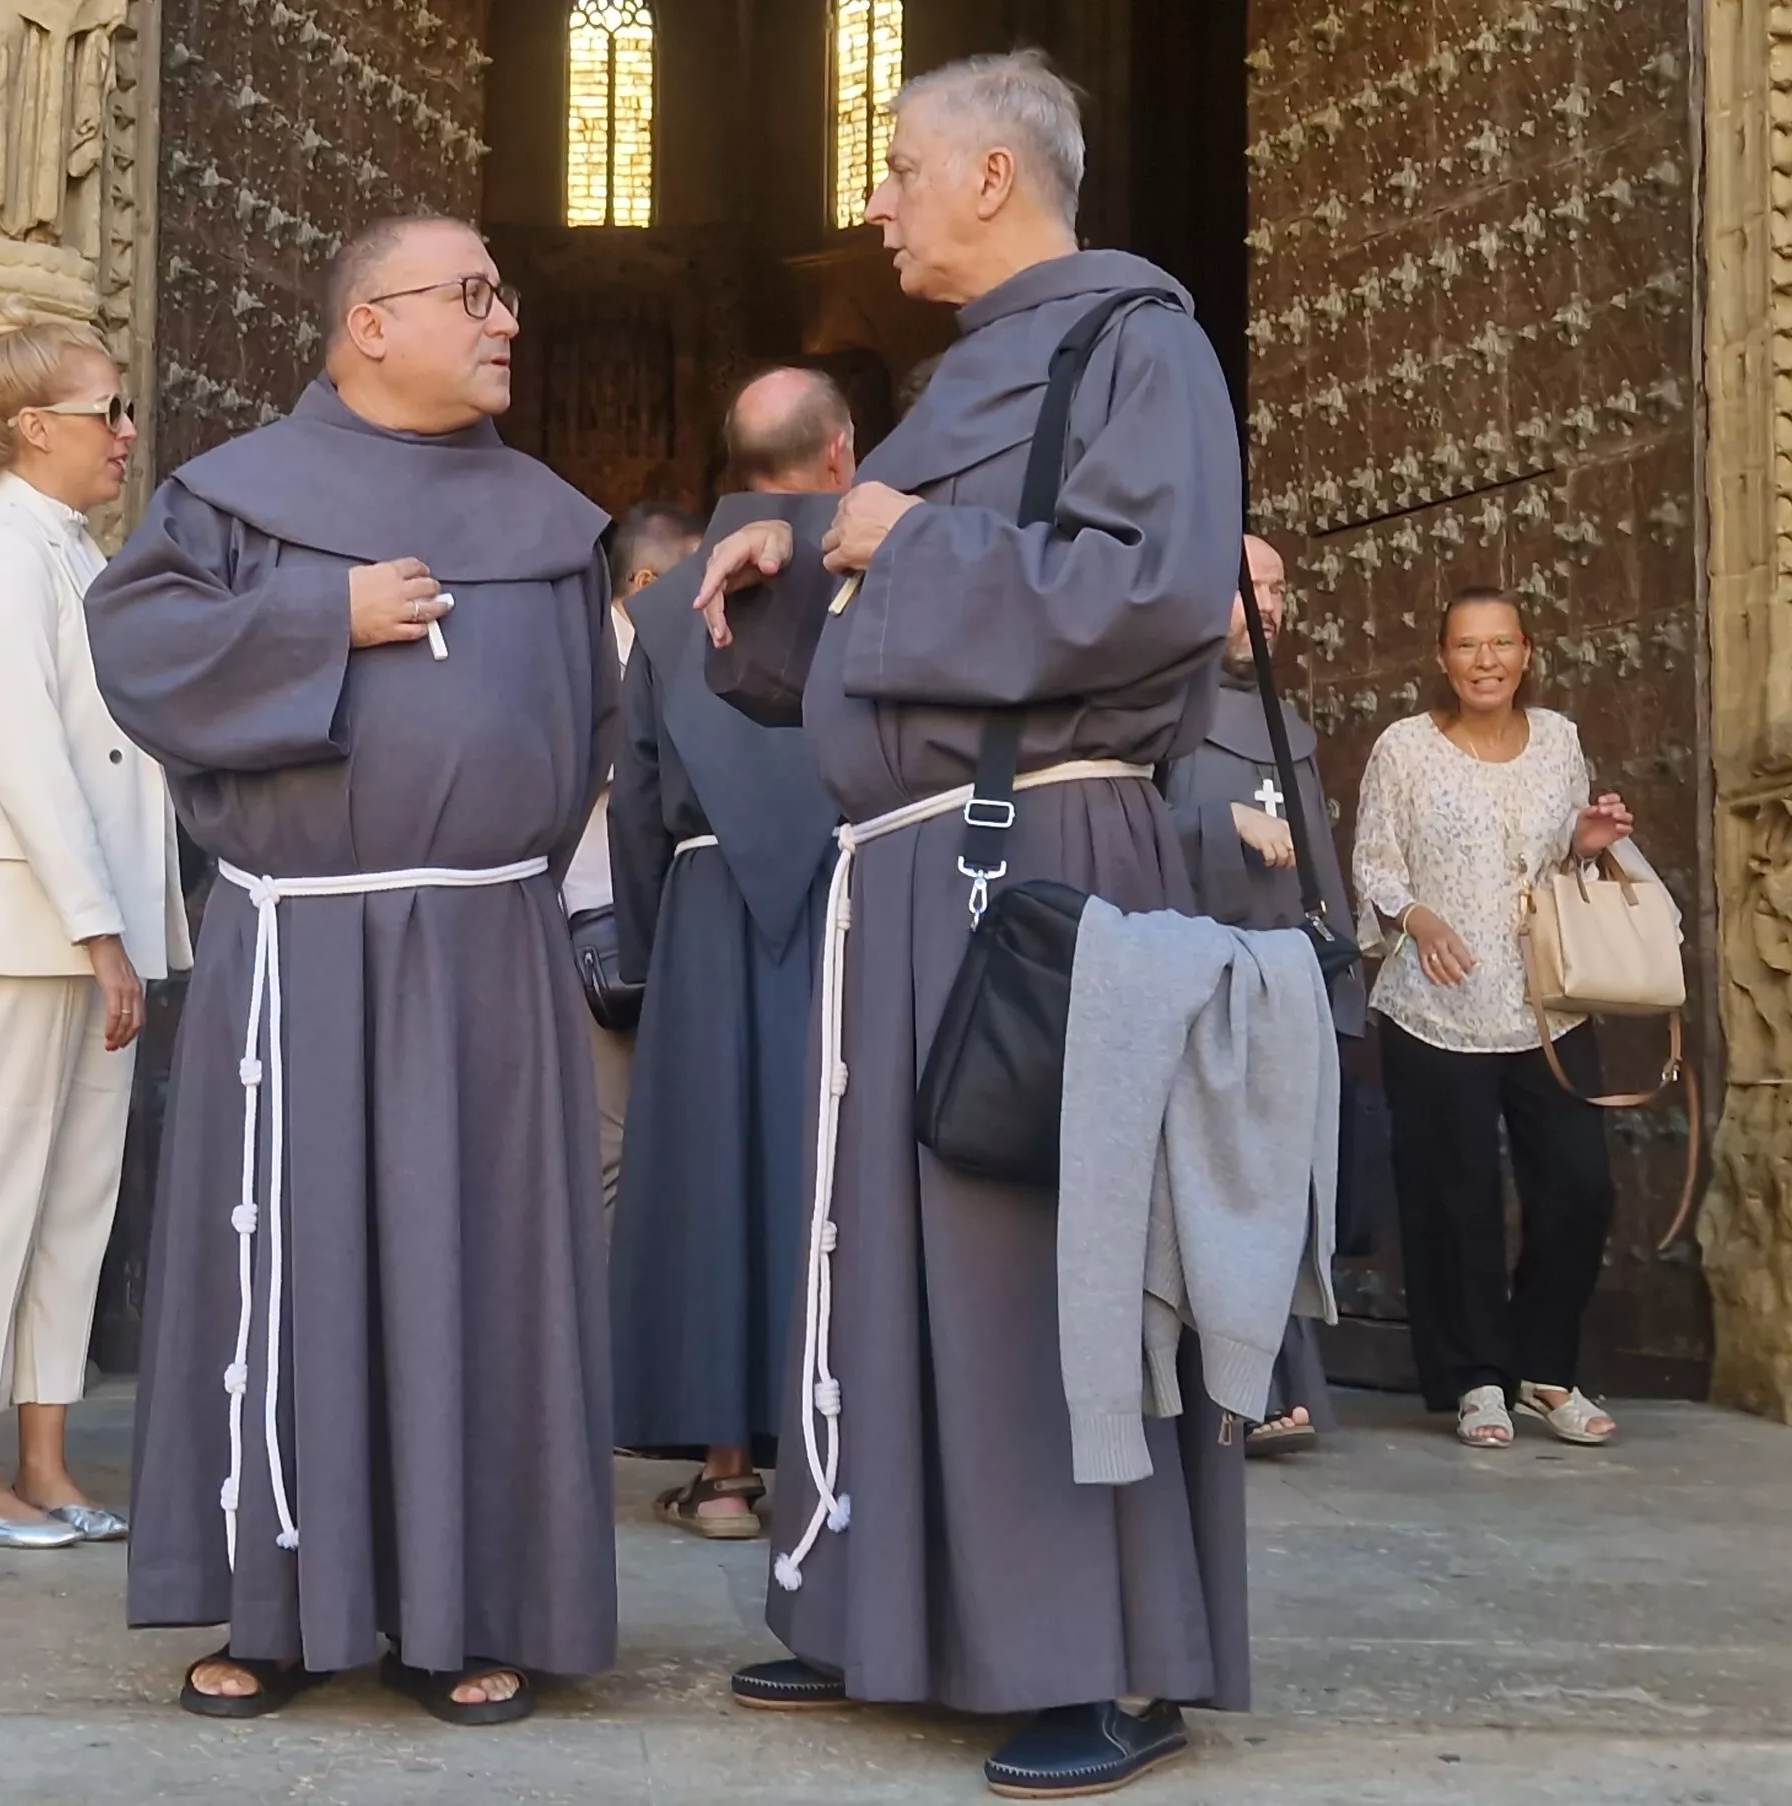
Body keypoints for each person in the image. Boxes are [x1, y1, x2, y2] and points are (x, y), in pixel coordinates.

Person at [691, 52, 1246, 1799]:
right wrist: (793, 570)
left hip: (1036, 860)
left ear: (993, 179)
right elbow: (910, 580)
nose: (876, 201)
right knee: (902, 1263)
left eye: (900, 168)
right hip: (915, 873)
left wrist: (893, 547)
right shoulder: (957, 383)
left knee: (1047, 1267)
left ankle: (1105, 1657)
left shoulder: (1133, 341)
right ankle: (893, 1616)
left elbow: (1149, 593)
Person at [85, 215, 618, 1726]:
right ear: (368, 324)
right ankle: (279, 1603)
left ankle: (468, 1605)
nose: (503, 318)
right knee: (289, 1262)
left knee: (484, 1268)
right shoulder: (235, 496)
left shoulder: (548, 521)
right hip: (298, 943)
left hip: (485, 944)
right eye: (470, 295)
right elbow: (139, 657)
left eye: (501, 293)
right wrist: (322, 614)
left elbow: (584, 733)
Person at [0, 322, 189, 1550]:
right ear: (32, 427)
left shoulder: (68, 550)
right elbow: (28, 763)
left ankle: (46, 1456)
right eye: (107, 411)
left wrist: (128, 925)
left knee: (76, 1198)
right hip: (24, 928)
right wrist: (99, 934)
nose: (126, 434)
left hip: (89, 926)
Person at [609, 369, 853, 1539]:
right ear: (840, 457)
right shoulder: (880, 572)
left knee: (716, 1177)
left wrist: (656, 961)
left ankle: (721, 1476)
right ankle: (843, 1454)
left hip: (707, 905)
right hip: (863, 897)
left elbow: (637, 806)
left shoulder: (662, 611)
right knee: (840, 1172)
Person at [1350, 585, 1634, 1452]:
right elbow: (1372, 861)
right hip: (1435, 1007)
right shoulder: (1403, 749)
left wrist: (1586, 844)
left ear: (1526, 651)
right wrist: (1415, 917)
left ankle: (1546, 1370)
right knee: (1455, 1198)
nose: (1486, 661)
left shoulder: (1560, 743)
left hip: (1546, 1004)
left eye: (1501, 643)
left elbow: (1558, 865)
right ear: (1442, 658)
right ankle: (1477, 1378)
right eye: (1468, 646)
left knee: (1579, 1188)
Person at [1157, 534, 1362, 1456]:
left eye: (1277, 588)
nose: (1268, 605)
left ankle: (1284, 1386)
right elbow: (1113, 827)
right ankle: (1226, 1394)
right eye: (1249, 588)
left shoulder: (1287, 724)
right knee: (1213, 1190)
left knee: (1275, 1188)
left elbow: (1316, 862)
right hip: (1196, 981)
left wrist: (1343, 985)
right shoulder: (1155, 709)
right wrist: (1214, 822)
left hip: (1283, 985)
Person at [565, 499, 703, 1226]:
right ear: (647, 585)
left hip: (668, 930)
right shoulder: (585, 665)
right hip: (597, 940)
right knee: (611, 1152)